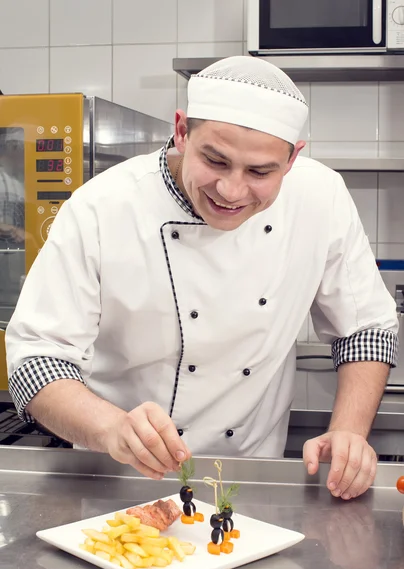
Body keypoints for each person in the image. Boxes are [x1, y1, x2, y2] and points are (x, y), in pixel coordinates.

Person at [5, 56, 398, 500]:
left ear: (292, 160)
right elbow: (36, 358)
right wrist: (111, 428)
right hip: (118, 475)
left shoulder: (320, 196)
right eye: (215, 160)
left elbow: (365, 328)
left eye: (260, 172)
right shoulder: (101, 207)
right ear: (181, 131)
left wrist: (347, 432)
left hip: (248, 476)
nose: (231, 191)